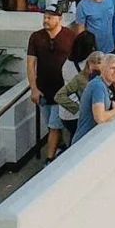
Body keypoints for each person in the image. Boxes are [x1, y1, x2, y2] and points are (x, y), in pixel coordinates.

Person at [27, 10, 76, 162]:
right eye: (44, 17)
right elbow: (30, 64)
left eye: (49, 17)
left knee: (54, 125)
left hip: (62, 90)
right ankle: (60, 146)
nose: (46, 20)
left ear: (59, 18)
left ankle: (49, 158)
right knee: (50, 123)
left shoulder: (70, 36)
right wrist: (34, 88)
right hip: (43, 89)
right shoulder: (36, 37)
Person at [73, 52, 115, 143]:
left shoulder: (111, 83)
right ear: (103, 69)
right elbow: (100, 118)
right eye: (112, 68)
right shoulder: (97, 86)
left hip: (97, 137)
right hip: (84, 140)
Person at [54, 42, 102, 144]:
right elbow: (59, 96)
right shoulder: (80, 78)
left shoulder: (102, 76)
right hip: (80, 118)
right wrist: (78, 108)